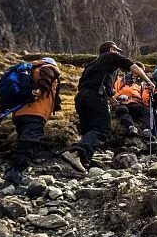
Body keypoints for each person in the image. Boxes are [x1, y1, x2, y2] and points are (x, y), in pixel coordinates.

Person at [62, 42, 151, 173]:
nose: (118, 53)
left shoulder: (92, 64)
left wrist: (113, 100)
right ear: (111, 49)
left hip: (81, 98)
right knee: (101, 129)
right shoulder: (111, 56)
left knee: (89, 131)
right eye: (117, 50)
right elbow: (134, 66)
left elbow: (100, 85)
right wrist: (149, 81)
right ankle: (75, 152)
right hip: (96, 97)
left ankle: (82, 166)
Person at [3, 57, 61, 187]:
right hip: (35, 113)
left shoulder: (29, 72)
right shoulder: (48, 68)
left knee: (23, 141)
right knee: (29, 142)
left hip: (19, 115)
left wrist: (1, 111)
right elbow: (45, 81)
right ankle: (14, 174)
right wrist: (40, 91)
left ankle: (13, 171)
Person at [112, 71, 153, 140]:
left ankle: (146, 130)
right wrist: (119, 95)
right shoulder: (119, 81)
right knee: (122, 110)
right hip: (121, 102)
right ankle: (131, 127)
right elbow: (112, 91)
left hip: (135, 104)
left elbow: (145, 100)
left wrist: (149, 93)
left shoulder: (140, 86)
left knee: (147, 112)